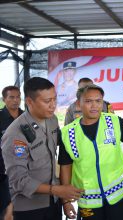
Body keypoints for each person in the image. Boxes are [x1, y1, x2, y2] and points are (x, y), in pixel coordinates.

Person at [1, 77, 83, 220]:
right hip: (29, 209)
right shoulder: (15, 134)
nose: (53, 105)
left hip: (54, 202)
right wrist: (58, 190)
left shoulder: (52, 120)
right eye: (47, 101)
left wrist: (65, 201)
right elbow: (18, 181)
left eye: (54, 99)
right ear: (29, 102)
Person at [59, 84, 123, 220]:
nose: (94, 106)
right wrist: (66, 201)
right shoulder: (67, 133)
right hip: (88, 200)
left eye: (98, 101)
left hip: (118, 195)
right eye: (88, 101)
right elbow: (65, 166)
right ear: (78, 104)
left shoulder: (115, 121)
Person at [0, 86, 23, 220]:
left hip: (25, 167)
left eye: (18, 97)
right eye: (11, 97)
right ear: (4, 99)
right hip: (3, 169)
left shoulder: (27, 116)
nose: (16, 100)